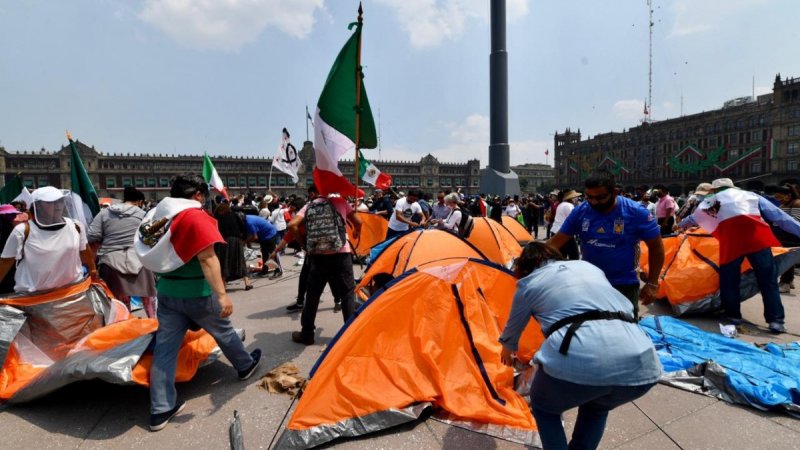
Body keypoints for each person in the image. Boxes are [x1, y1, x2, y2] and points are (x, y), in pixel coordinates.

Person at [499, 242, 661, 450]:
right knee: (597, 407)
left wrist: (506, 352)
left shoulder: (528, 284)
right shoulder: (589, 268)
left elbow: (511, 333)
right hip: (642, 361)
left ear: (525, 267)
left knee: (544, 408)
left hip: (581, 354)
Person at [135, 175, 261, 432]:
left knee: (165, 350)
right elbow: (207, 258)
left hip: (168, 291)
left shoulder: (157, 217)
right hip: (198, 292)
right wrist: (222, 294)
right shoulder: (195, 216)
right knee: (223, 332)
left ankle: (160, 409)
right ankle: (245, 365)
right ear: (199, 195)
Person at [679, 178, 800, 333]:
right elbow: (781, 218)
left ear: (715, 190)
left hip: (732, 242)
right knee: (768, 280)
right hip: (757, 240)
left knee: (729, 280)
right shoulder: (751, 196)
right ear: (732, 187)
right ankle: (776, 321)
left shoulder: (713, 201)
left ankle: (733, 317)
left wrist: (680, 225)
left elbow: (695, 218)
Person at [547, 170, 664, 318]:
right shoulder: (580, 212)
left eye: (600, 198)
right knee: (589, 328)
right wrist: (529, 262)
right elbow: (555, 243)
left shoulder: (636, 212)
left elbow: (656, 247)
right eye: (589, 197)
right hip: (589, 282)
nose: (594, 202)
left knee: (625, 331)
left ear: (615, 192)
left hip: (624, 284)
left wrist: (653, 283)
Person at [287, 188, 362, 345]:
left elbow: (292, 225)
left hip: (317, 256)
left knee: (313, 296)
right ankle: (350, 336)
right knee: (347, 294)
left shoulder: (309, 205)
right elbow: (359, 222)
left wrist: (304, 245)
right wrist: (356, 232)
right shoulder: (341, 202)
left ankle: (307, 334)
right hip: (341, 254)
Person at [0, 186, 96, 294]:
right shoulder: (22, 231)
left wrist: (94, 274)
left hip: (73, 292)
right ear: (38, 206)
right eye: (51, 202)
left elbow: (85, 252)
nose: (57, 206)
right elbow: (5, 262)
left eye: (60, 201)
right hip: (34, 297)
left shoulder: (76, 226)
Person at [88, 186, 157, 316]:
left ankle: (124, 331)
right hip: (139, 261)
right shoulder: (143, 214)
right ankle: (154, 326)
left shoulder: (104, 213)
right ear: (139, 202)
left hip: (110, 263)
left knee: (120, 305)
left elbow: (91, 236)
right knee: (148, 299)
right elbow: (151, 237)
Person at [213, 202, 253, 291]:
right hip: (237, 240)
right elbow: (243, 228)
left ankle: (223, 285)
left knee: (223, 262)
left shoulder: (217, 218)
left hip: (223, 241)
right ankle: (247, 283)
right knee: (240, 260)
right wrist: (243, 239)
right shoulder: (235, 215)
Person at [774, 184, 800, 293]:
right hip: (783, 236)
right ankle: (788, 280)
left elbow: (796, 220)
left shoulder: (797, 203)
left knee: (786, 259)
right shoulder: (783, 205)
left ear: (788, 195)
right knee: (787, 259)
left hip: (792, 237)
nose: (779, 200)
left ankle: (785, 283)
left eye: (780, 197)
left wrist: (780, 221)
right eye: (777, 197)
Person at [244, 214, 282, 279]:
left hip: (270, 233)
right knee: (264, 253)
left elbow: (255, 237)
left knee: (272, 253)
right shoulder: (247, 218)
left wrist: (246, 242)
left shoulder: (249, 222)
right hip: (263, 235)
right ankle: (264, 270)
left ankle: (278, 270)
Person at [550, 189, 581, 260]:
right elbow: (574, 219)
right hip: (564, 233)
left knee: (561, 256)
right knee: (574, 256)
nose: (576, 199)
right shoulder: (569, 206)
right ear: (571, 198)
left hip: (555, 232)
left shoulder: (561, 205)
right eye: (574, 197)